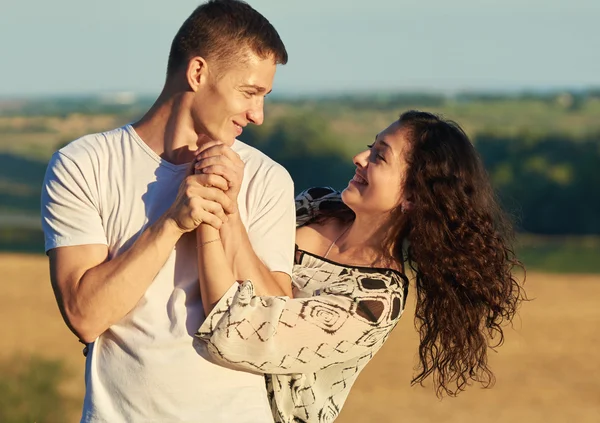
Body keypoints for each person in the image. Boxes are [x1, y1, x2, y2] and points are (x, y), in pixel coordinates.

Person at [40, 1, 295, 422]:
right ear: (198, 73)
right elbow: (85, 316)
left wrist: (229, 216)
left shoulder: (268, 179)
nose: (258, 115)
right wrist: (172, 222)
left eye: (263, 97)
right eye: (249, 92)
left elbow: (275, 329)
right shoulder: (83, 164)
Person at [193, 110, 526, 422]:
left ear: (413, 197)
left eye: (379, 156)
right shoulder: (318, 204)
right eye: (371, 146)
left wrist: (225, 211)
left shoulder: (375, 303)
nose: (359, 158)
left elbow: (240, 334)